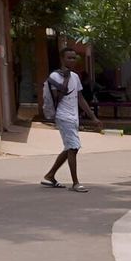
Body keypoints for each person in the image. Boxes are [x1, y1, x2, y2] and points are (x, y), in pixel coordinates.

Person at [40, 47, 102, 192]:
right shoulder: (55, 77)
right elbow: (55, 98)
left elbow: (80, 98)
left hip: (74, 117)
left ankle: (50, 175)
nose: (72, 60)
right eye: (69, 58)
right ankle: (75, 183)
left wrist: (93, 117)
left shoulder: (75, 76)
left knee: (69, 147)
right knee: (73, 147)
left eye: (74, 58)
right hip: (62, 116)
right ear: (62, 59)